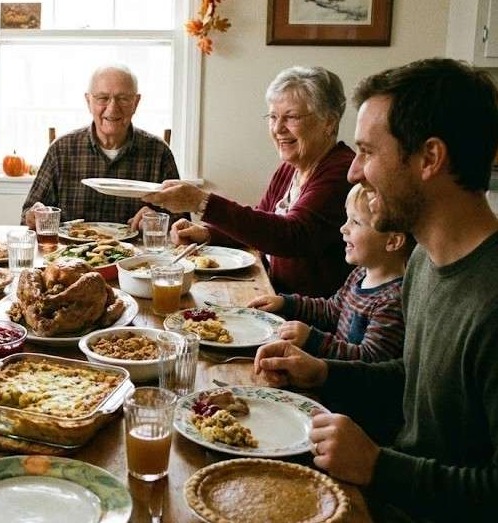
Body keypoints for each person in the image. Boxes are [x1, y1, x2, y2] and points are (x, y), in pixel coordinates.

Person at [255, 58, 498, 521]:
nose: (353, 172)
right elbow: (413, 380)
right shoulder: (425, 262)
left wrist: (377, 466)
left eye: (368, 152)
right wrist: (323, 373)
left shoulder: (490, 299)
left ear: (429, 158)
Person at [144, 66, 354, 298]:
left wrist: (202, 202)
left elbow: (291, 235)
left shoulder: (341, 171)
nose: (277, 129)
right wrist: (206, 233)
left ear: (329, 123)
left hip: (309, 314)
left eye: (291, 117)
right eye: (273, 117)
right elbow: (261, 224)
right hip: (273, 292)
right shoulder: (290, 168)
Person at [247, 184, 414, 362]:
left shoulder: (393, 300)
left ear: (393, 241)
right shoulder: (360, 274)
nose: (343, 228)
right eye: (347, 219)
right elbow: (331, 310)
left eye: (355, 222)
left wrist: (313, 340)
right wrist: (285, 303)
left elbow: (368, 359)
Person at [20, 64, 179, 228]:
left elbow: (182, 225)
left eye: (123, 99)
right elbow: (27, 217)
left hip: (139, 253)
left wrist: (157, 220)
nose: (112, 109)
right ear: (88, 101)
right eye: (103, 98)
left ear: (136, 102)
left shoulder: (159, 152)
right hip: (69, 252)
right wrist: (35, 214)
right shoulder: (61, 150)